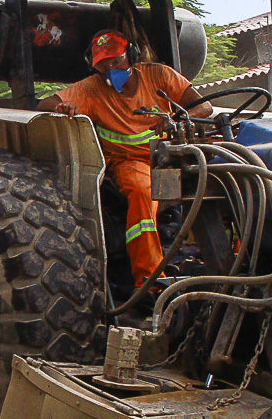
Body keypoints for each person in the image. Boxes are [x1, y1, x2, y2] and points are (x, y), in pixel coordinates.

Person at [39, 29, 214, 284]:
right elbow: (45, 104)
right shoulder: (91, 89)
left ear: (130, 55)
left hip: (171, 157)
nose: (111, 69)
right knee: (143, 192)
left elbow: (204, 106)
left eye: (116, 61)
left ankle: (231, 261)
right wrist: (64, 107)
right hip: (129, 163)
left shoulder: (159, 75)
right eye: (104, 65)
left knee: (224, 179)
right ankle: (150, 280)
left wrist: (177, 120)